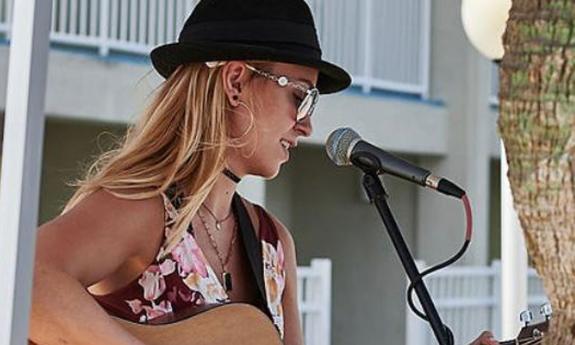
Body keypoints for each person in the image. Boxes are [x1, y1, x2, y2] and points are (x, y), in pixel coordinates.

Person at [28, 1, 499, 345]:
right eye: (301, 95)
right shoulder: (145, 210)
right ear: (236, 82)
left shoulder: (273, 243)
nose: (309, 124)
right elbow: (21, 279)